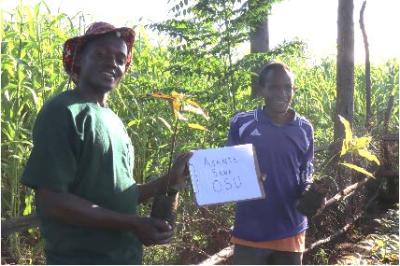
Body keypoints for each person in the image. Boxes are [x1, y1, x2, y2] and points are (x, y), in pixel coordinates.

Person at [21, 22, 192, 265]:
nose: (112, 62)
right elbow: (52, 201)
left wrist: (166, 181)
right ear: (79, 60)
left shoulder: (113, 120)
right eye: (100, 54)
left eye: (120, 58)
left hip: (124, 257)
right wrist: (132, 223)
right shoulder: (64, 111)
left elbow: (122, 195)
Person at [227, 62, 323, 265]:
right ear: (262, 90)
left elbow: (306, 168)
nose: (282, 93)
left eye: (288, 87)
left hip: (291, 228)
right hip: (250, 231)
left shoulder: (304, 128)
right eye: (274, 87)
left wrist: (308, 190)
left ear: (294, 90)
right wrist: (246, 179)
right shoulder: (242, 123)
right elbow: (230, 170)